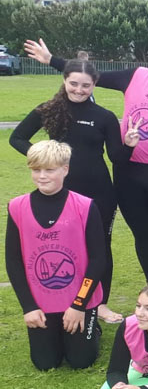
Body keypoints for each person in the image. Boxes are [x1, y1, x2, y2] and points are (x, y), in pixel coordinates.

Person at [25, 33, 148, 294]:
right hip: (127, 172)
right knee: (143, 233)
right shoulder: (136, 76)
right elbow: (93, 76)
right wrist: (51, 60)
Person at [10, 59, 134, 324]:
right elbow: (16, 137)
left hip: (99, 194)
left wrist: (130, 144)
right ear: (65, 80)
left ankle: (100, 303)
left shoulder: (104, 117)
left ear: (94, 85)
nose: (79, 90)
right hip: (60, 193)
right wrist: (44, 158)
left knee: (100, 248)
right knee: (65, 246)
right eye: (74, 83)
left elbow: (117, 158)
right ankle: (66, 298)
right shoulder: (49, 110)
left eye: (85, 85)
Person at [7, 140, 108, 370]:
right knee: (45, 363)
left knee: (81, 361)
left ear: (65, 169)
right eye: (36, 170)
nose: (42, 176)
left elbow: (97, 260)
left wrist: (79, 305)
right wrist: (28, 307)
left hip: (78, 299)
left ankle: (92, 325)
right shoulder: (17, 207)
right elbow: (13, 261)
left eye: (49, 170)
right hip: (41, 302)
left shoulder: (85, 206)